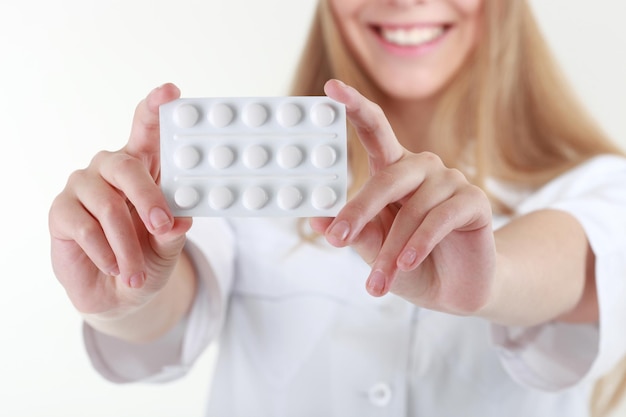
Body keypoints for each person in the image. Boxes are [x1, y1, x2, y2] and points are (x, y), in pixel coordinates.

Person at [48, 0, 626, 415]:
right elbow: (168, 302)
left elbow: (576, 265)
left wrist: (490, 274)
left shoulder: (599, 184)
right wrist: (122, 290)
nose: (407, 2)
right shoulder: (242, 176)